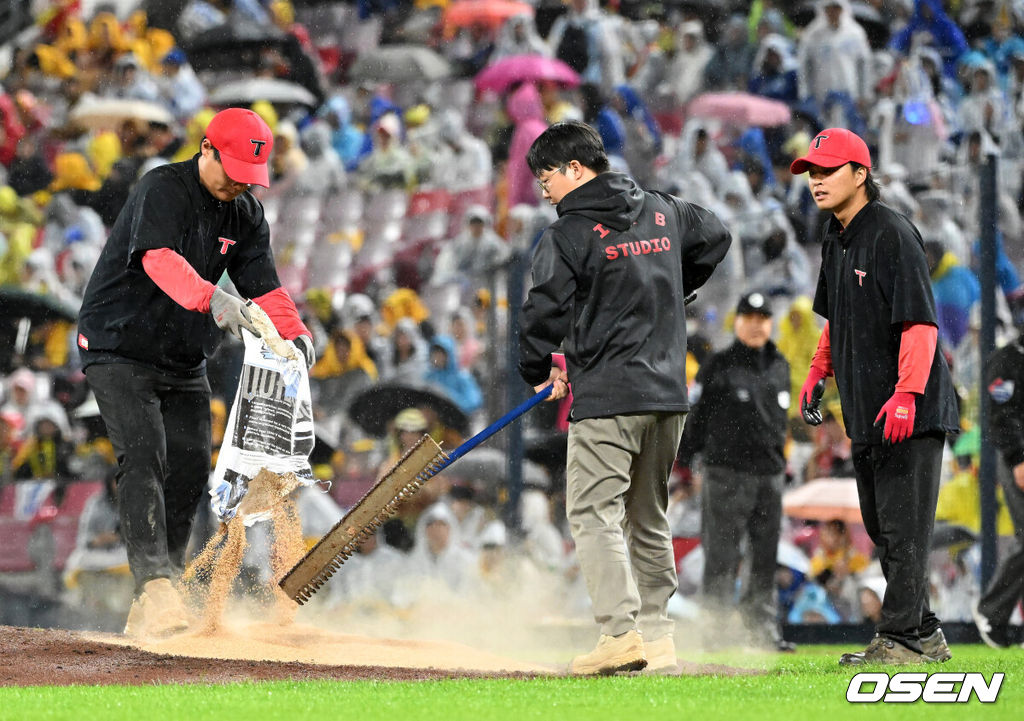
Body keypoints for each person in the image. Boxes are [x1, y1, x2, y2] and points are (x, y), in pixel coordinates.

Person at [76, 108, 316, 639]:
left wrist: (295, 335)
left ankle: (169, 588)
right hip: (119, 345)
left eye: (247, 177)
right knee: (144, 453)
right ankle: (153, 586)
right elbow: (159, 260)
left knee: (188, 469)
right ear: (205, 149)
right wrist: (218, 303)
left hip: (183, 357)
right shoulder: (162, 188)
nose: (237, 184)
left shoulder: (247, 214)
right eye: (229, 169)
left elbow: (267, 288)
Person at [518, 120, 731, 675]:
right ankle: (658, 636)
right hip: (666, 394)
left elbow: (542, 310)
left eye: (546, 174)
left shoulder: (567, 235)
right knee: (647, 516)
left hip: (608, 393)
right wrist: (670, 287)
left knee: (592, 513)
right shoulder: (661, 210)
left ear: (575, 169)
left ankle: (619, 633)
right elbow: (718, 236)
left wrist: (539, 368)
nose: (542, 186)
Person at [792, 127, 959, 665]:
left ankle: (901, 639)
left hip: (909, 409)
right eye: (811, 173)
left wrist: (908, 392)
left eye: (828, 171)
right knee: (887, 533)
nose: (817, 181)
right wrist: (819, 372)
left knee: (905, 531)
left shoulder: (892, 233)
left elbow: (920, 324)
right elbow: (835, 318)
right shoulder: (833, 235)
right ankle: (925, 633)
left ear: (860, 174)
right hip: (866, 412)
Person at [677, 291, 792, 651]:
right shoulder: (718, 364)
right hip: (726, 473)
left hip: (769, 475)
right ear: (737, 321)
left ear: (770, 323)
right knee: (722, 555)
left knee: (765, 556)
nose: (756, 325)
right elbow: (697, 415)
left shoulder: (780, 364)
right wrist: (687, 457)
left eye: (763, 318)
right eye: (749, 317)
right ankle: (716, 631)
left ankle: (760, 629)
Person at [972, 298, 1024, 649]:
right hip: (1019, 459)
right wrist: (1018, 458)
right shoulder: (1008, 359)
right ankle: (991, 611)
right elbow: (1000, 415)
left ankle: (995, 613)